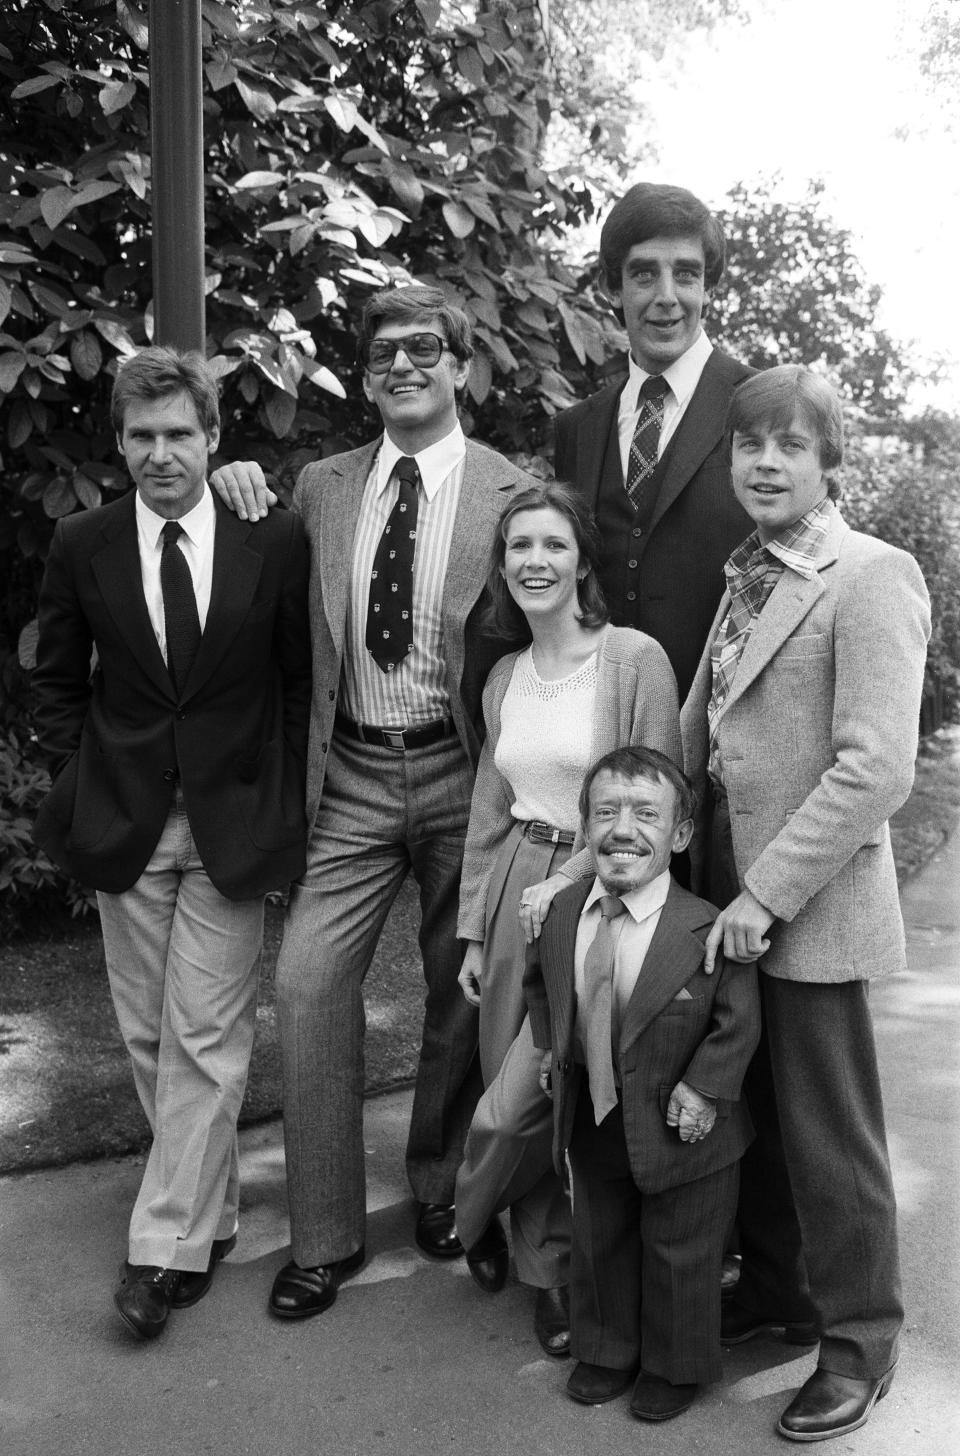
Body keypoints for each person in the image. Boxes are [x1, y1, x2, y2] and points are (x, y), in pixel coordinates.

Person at [210, 285, 534, 1319]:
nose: (405, 364)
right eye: (386, 351)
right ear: (365, 374)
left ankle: (445, 1190)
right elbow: (240, 567)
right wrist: (227, 481)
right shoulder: (320, 485)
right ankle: (325, 1235)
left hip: (464, 769)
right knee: (306, 984)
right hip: (346, 771)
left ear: (460, 367)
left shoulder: (510, 490)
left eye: (426, 348)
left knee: (462, 992)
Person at [31, 346, 312, 1340]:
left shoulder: (268, 538)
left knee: (205, 1035)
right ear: (119, 442)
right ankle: (215, 1208)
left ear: (211, 437)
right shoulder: (83, 542)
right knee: (152, 1035)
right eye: (141, 436)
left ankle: (161, 1249)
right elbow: (57, 681)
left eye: (178, 434)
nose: (160, 454)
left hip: (234, 820)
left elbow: (293, 682)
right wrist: (73, 778)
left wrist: (283, 796)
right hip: (125, 818)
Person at [681, 365, 931, 1442]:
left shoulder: (871, 573)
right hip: (720, 886)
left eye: (791, 446)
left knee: (831, 1136)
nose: (767, 463)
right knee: (760, 1120)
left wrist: (768, 893)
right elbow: (709, 728)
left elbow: (877, 769)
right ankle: (782, 1296)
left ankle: (861, 1343)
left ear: (832, 462)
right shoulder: (747, 570)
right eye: (751, 446)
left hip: (809, 900)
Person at [453, 482, 681, 1356]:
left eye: (552, 545)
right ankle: (545, 1272)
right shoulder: (506, 672)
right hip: (515, 877)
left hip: (596, 889)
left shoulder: (634, 659)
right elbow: (489, 799)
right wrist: (476, 927)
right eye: (519, 548)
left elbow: (654, 795)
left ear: (582, 559)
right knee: (510, 1082)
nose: (534, 563)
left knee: (528, 1104)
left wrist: (577, 875)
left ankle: (469, 1217)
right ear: (502, 565)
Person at [523, 746, 760, 1419]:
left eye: (646, 814)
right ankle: (605, 1348)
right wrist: (551, 1047)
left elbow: (737, 1022)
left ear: (680, 835)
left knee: (680, 1249)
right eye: (605, 812)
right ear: (585, 828)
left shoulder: (705, 927)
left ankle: (675, 1363)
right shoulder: (562, 913)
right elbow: (542, 986)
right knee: (600, 1236)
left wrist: (706, 1088)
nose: (622, 828)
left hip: (687, 1128)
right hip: (595, 1109)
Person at [554, 181, 753, 702]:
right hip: (600, 731)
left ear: (707, 287)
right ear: (611, 288)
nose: (668, 296)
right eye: (644, 273)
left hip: (726, 736)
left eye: (686, 274)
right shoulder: (577, 428)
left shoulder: (764, 406)